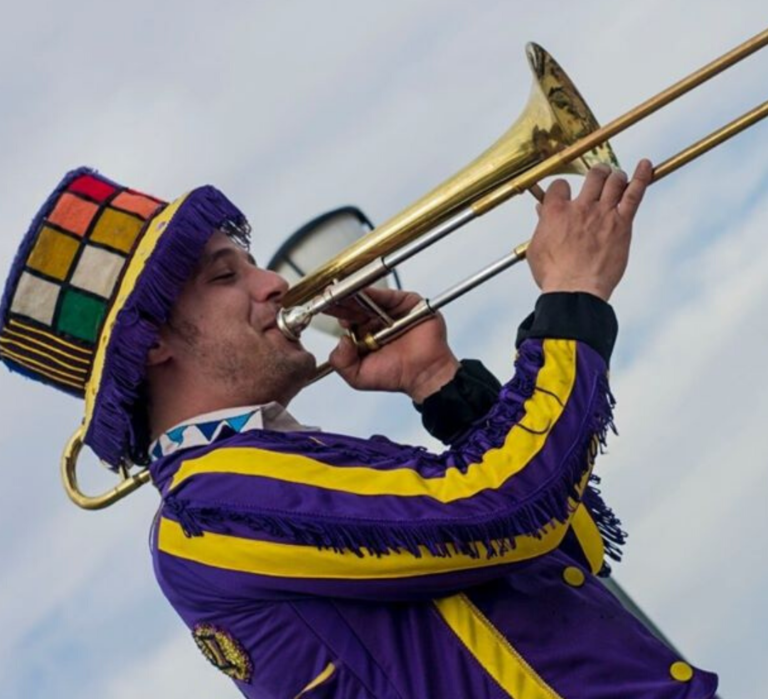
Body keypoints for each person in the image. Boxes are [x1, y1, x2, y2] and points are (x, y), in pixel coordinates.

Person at [0, 162, 718, 698]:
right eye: (226, 278)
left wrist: (438, 383)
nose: (272, 284)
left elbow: (569, 539)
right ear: (151, 343)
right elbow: (502, 507)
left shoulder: (287, 460)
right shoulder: (212, 502)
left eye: (249, 264)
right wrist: (573, 297)